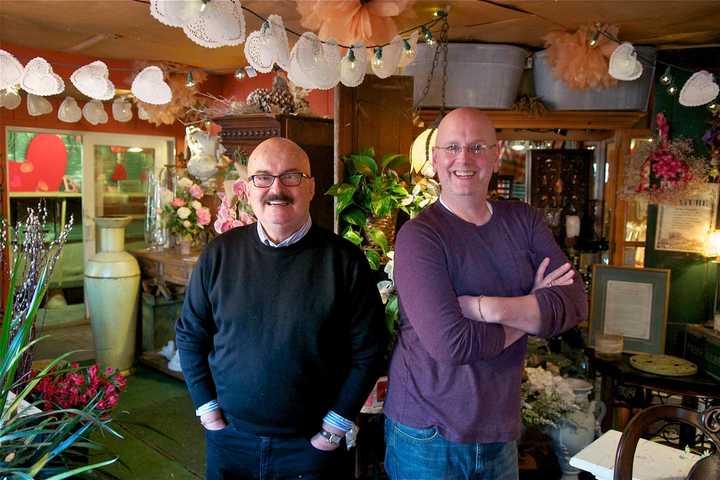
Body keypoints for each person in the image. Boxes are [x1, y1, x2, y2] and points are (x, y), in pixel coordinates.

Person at [384, 108, 588, 480]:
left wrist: (485, 307)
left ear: (497, 154)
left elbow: (574, 303)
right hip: (428, 434)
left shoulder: (524, 221)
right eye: (452, 148)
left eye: (477, 147)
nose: (464, 159)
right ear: (435, 159)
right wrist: (531, 314)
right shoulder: (420, 236)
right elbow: (453, 345)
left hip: (499, 430)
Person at [176, 137, 386, 480]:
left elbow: (369, 350)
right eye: (262, 177)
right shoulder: (219, 254)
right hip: (230, 441)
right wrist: (208, 412)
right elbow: (189, 335)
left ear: (311, 187)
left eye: (291, 176)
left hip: (312, 450)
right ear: (246, 188)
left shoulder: (345, 261)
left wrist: (332, 430)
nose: (276, 188)